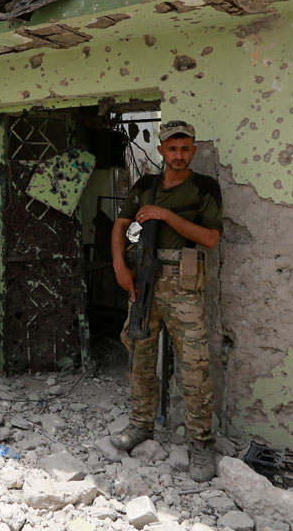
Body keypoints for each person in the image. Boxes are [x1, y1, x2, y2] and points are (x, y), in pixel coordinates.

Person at [110, 120, 222, 482]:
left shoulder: (205, 187)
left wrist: (166, 215)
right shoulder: (146, 186)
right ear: (161, 150)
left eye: (184, 148)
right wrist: (118, 268)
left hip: (182, 283)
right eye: (171, 148)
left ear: (193, 149)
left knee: (194, 364)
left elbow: (210, 238)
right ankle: (141, 424)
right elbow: (120, 225)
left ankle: (201, 442)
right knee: (140, 354)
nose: (177, 154)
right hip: (142, 278)